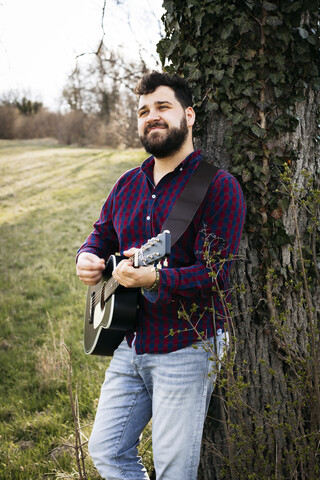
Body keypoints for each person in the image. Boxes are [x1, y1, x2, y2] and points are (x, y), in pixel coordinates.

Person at [76, 71, 246, 480]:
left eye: (163, 107)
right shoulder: (127, 185)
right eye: (143, 111)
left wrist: (156, 280)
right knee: (106, 450)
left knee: (174, 470)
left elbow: (217, 276)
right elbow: (100, 236)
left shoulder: (218, 188)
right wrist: (87, 257)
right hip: (128, 340)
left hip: (187, 346)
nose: (151, 116)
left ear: (188, 116)